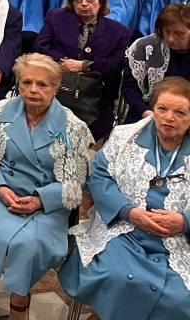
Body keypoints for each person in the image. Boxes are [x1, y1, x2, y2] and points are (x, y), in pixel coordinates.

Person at [0, 54, 92, 320]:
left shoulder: (73, 127)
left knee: (26, 243)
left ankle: (18, 296)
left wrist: (39, 200)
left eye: (42, 84)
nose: (33, 90)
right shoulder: (0, 111)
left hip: (46, 205)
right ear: (18, 84)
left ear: (56, 87)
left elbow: (74, 183)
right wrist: (0, 190)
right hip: (0, 194)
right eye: (27, 82)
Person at [59, 76, 190, 320]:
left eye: (180, 112)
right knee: (117, 276)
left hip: (178, 240)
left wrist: (183, 222)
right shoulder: (124, 137)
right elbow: (99, 177)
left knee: (179, 298)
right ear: (153, 109)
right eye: (163, 109)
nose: (169, 117)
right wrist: (129, 212)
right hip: (124, 229)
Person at [35, 0, 130, 139]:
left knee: (96, 125)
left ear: (101, 1)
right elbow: (40, 45)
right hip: (56, 83)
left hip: (95, 93)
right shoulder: (56, 17)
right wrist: (63, 62)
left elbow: (116, 64)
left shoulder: (119, 31)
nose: (84, 4)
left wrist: (84, 65)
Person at [123, 4, 190, 121]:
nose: (170, 39)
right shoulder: (145, 47)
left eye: (179, 33)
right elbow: (129, 88)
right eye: (167, 32)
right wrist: (146, 113)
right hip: (146, 115)